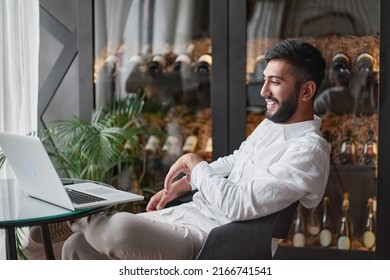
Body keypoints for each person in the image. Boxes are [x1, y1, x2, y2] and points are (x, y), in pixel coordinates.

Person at [61, 39, 330, 260]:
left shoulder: (308, 151)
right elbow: (237, 160)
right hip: (188, 214)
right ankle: (82, 223)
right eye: (264, 79)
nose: (263, 91)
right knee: (75, 248)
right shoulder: (272, 125)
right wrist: (188, 183)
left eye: (276, 82)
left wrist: (195, 163)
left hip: (211, 241)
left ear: (306, 91)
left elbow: (238, 206)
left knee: (119, 228)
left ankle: (78, 219)